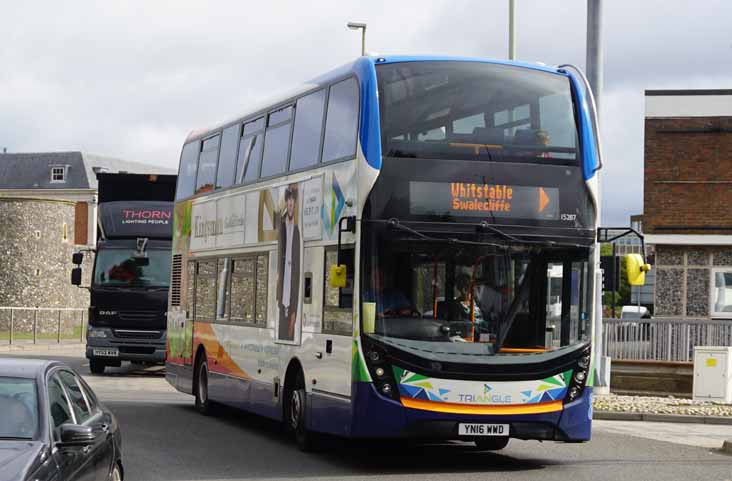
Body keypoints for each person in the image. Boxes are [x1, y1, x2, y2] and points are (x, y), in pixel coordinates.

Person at [277, 184, 300, 340]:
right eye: (289, 199)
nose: (290, 203)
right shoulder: (282, 225)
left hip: (293, 282)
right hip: (283, 280)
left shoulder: (298, 228)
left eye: (293, 200)